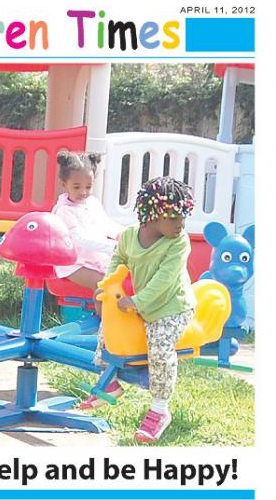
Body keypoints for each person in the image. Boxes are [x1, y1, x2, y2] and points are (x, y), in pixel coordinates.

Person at [82, 176, 196, 444]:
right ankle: (109, 381)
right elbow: (118, 260)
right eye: (173, 217)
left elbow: (165, 279)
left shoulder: (178, 242)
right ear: (152, 214)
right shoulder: (129, 237)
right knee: (108, 329)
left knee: (160, 346)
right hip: (142, 304)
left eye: (183, 217)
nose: (180, 224)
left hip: (172, 308)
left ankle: (160, 409)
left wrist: (137, 301)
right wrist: (106, 286)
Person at [52, 151, 124, 290]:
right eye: (76, 187)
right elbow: (80, 239)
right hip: (73, 264)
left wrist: (123, 234)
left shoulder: (92, 203)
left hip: (95, 256)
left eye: (88, 187)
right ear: (64, 184)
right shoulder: (64, 211)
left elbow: (106, 224)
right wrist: (112, 247)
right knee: (108, 286)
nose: (83, 192)